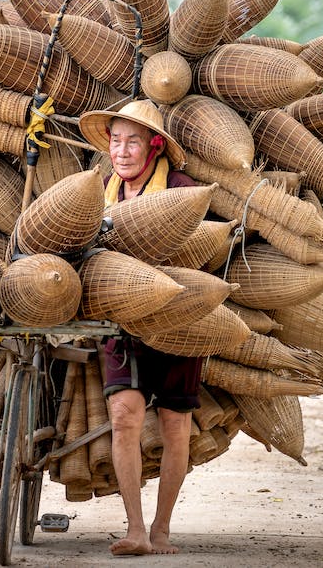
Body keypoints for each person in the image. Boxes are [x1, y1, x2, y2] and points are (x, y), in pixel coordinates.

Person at [78, 100, 201, 556]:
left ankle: (162, 528)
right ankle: (135, 529)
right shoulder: (101, 191)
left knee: (174, 425)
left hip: (177, 322)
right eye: (115, 141)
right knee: (124, 416)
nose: (122, 151)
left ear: (153, 146)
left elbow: (197, 253)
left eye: (132, 141)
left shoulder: (180, 188)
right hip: (120, 323)